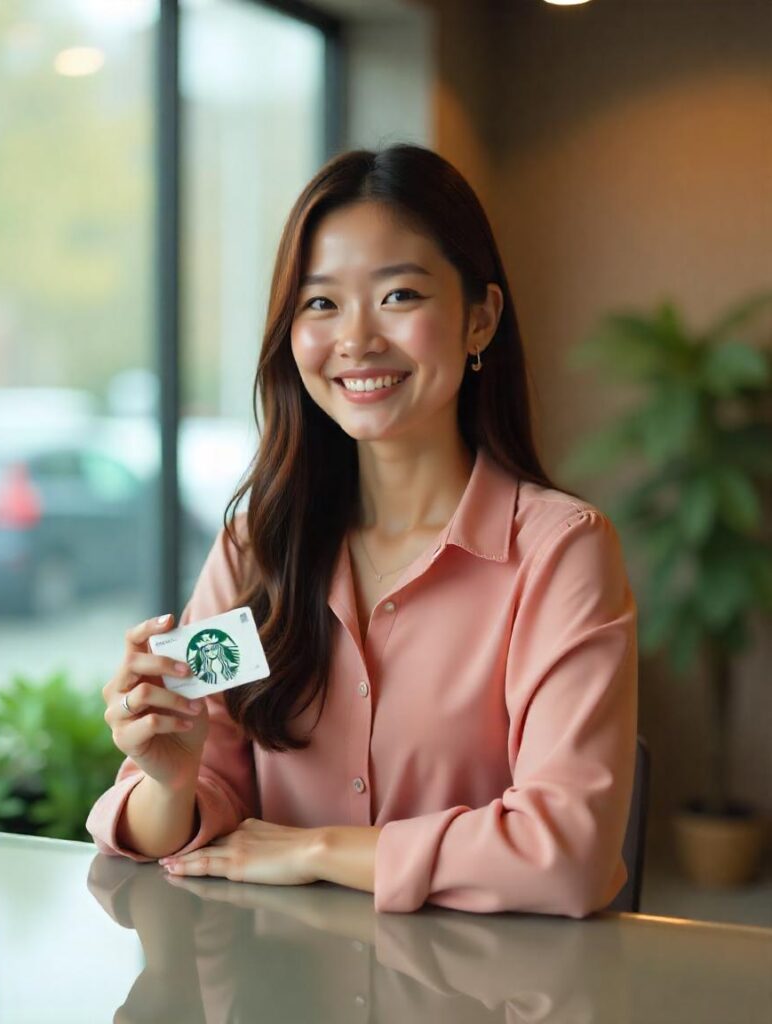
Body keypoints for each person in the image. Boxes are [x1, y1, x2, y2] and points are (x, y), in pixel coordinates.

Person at [87, 143, 638, 917]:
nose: (356, 339)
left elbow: (569, 852)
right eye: (320, 303)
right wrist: (171, 778)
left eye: (399, 295)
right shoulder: (256, 545)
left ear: (479, 318)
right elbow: (182, 826)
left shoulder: (560, 551)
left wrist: (316, 849)